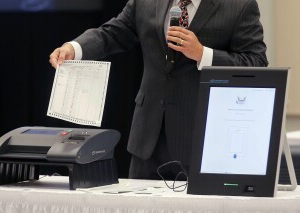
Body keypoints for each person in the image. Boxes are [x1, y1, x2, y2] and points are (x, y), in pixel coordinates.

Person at [49, 0, 268, 180]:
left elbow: (256, 61)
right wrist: (74, 48)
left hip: (202, 139)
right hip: (147, 141)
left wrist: (203, 54)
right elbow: (112, 33)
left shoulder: (239, 5)